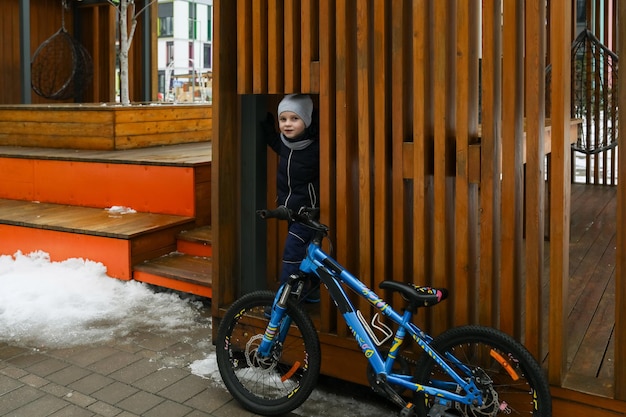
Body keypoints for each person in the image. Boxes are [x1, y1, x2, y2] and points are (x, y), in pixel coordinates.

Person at [262, 94, 320, 301]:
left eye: (294, 119)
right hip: (291, 210)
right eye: (283, 119)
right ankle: (309, 292)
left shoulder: (315, 147)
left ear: (307, 120)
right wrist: (267, 128)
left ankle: (284, 303)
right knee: (305, 255)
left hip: (308, 213)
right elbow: (275, 143)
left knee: (292, 255)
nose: (287, 124)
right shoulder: (285, 143)